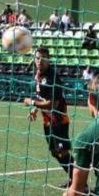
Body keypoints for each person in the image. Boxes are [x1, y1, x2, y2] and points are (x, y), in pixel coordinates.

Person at [24, 47, 72, 184]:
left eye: (43, 58)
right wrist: (34, 109)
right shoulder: (37, 74)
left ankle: (80, 184)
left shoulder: (53, 77)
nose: (40, 61)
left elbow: (53, 105)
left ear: (48, 59)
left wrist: (31, 102)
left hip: (59, 121)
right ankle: (74, 179)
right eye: (37, 58)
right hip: (47, 122)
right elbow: (40, 95)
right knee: (55, 152)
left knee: (62, 152)